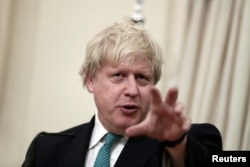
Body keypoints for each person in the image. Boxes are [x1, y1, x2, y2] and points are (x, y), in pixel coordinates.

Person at [22, 22, 222, 167]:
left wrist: (177, 144)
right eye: (118, 76)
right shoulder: (47, 148)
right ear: (91, 81)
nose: (133, 91)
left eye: (142, 78)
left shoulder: (185, 142)